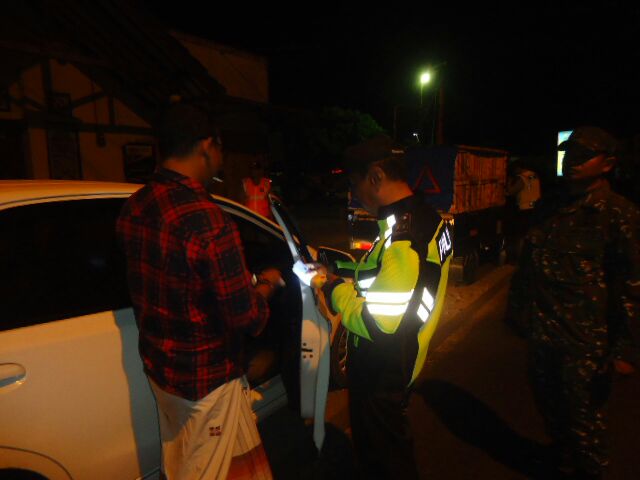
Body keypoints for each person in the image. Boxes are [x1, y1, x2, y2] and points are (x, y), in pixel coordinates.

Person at [116, 102, 281, 480]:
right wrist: (267, 284)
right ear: (207, 146)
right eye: (221, 149)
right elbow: (246, 316)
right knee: (203, 470)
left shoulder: (136, 205)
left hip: (161, 370)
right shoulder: (208, 220)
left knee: (184, 458)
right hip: (206, 382)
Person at [508, 126, 640, 479]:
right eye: (569, 154)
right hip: (543, 332)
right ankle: (562, 462)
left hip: (585, 343)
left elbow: (632, 284)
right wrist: (517, 314)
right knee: (549, 408)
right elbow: (528, 265)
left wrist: (626, 350)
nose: (572, 162)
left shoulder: (618, 214)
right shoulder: (551, 205)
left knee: (584, 424)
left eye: (584, 156)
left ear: (607, 164)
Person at [320, 135, 453, 479]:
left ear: (376, 177)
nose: (355, 195)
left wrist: (332, 290)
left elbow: (378, 324)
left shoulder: (403, 240)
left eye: (355, 184)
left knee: (385, 464)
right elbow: (386, 275)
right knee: (390, 456)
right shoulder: (425, 218)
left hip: (382, 373)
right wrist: (337, 269)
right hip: (402, 360)